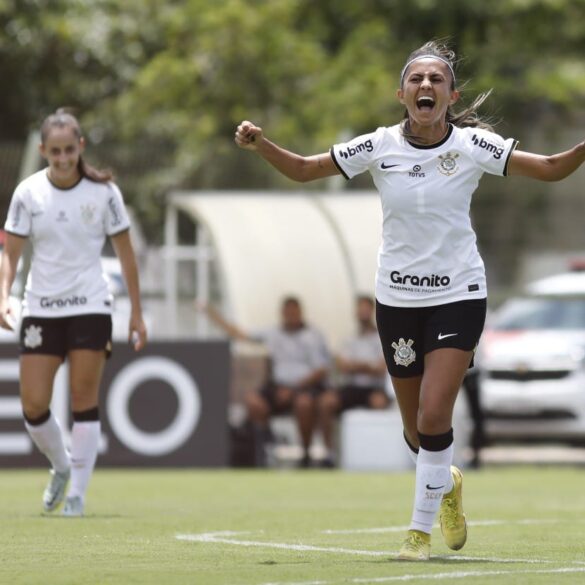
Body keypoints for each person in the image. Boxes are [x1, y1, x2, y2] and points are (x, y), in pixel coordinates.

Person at [234, 39, 585, 559]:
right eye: (416, 80)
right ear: (401, 94)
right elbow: (306, 169)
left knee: (434, 414)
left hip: (459, 294)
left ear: (451, 94)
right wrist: (261, 143)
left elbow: (553, 166)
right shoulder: (378, 146)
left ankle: (418, 535)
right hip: (396, 299)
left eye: (436, 80)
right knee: (416, 432)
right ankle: (447, 483)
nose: (426, 86)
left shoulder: (471, 147)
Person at [0, 109, 147, 517]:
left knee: (84, 397)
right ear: (44, 150)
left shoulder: (104, 193)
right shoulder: (28, 193)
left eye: (70, 150)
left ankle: (78, 496)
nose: (63, 159)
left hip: (90, 304)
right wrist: (2, 296)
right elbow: (9, 255)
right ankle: (62, 466)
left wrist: (136, 312)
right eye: (55, 152)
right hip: (41, 307)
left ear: (80, 147)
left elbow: (126, 255)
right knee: (33, 404)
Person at [201, 296, 329, 467]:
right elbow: (240, 335)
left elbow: (321, 369)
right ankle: (265, 448)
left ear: (300, 312)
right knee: (253, 401)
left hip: (303, 387)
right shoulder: (272, 333)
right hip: (277, 386)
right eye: (287, 311)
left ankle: (305, 453)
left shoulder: (313, 335)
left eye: (294, 311)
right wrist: (213, 315)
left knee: (304, 404)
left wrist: (294, 389)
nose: (290, 315)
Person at [319, 295, 389, 466]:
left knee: (379, 403)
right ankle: (329, 453)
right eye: (360, 309)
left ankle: (375, 453)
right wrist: (367, 366)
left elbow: (381, 368)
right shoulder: (348, 338)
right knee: (326, 402)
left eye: (366, 309)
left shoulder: (382, 337)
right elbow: (341, 365)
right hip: (350, 387)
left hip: (373, 388)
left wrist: (356, 366)